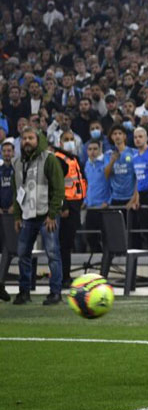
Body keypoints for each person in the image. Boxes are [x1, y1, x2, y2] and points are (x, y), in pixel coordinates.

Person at [11, 127, 65, 305]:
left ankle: (55, 293)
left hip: (46, 215)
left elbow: (59, 189)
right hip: (27, 215)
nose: (27, 141)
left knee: (53, 254)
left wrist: (53, 214)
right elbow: (16, 191)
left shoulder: (49, 159)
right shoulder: (17, 162)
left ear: (38, 140)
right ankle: (24, 292)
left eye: (30, 138)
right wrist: (17, 216)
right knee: (23, 254)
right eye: (24, 138)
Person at [54, 129, 88, 288]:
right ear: (60, 143)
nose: (69, 142)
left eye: (71, 139)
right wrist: (63, 205)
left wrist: (82, 199)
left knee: (68, 243)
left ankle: (65, 276)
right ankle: (63, 277)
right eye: (66, 139)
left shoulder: (74, 158)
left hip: (76, 204)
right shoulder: (58, 159)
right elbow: (56, 184)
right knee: (64, 244)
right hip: (66, 206)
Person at [83, 139, 111, 253]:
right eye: (90, 149)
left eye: (95, 149)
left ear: (100, 149)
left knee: (106, 237)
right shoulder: (87, 164)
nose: (92, 152)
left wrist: (109, 201)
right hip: (91, 207)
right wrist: (85, 200)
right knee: (90, 236)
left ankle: (107, 258)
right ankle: (98, 256)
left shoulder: (106, 162)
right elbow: (88, 185)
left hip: (103, 207)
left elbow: (112, 184)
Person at [0, 138, 15, 301]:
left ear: (14, 152)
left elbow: (23, 190)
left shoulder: (17, 170)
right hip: (0, 214)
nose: (6, 153)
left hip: (12, 215)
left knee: (8, 248)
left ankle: (1, 282)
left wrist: (15, 206)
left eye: (9, 151)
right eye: (4, 151)